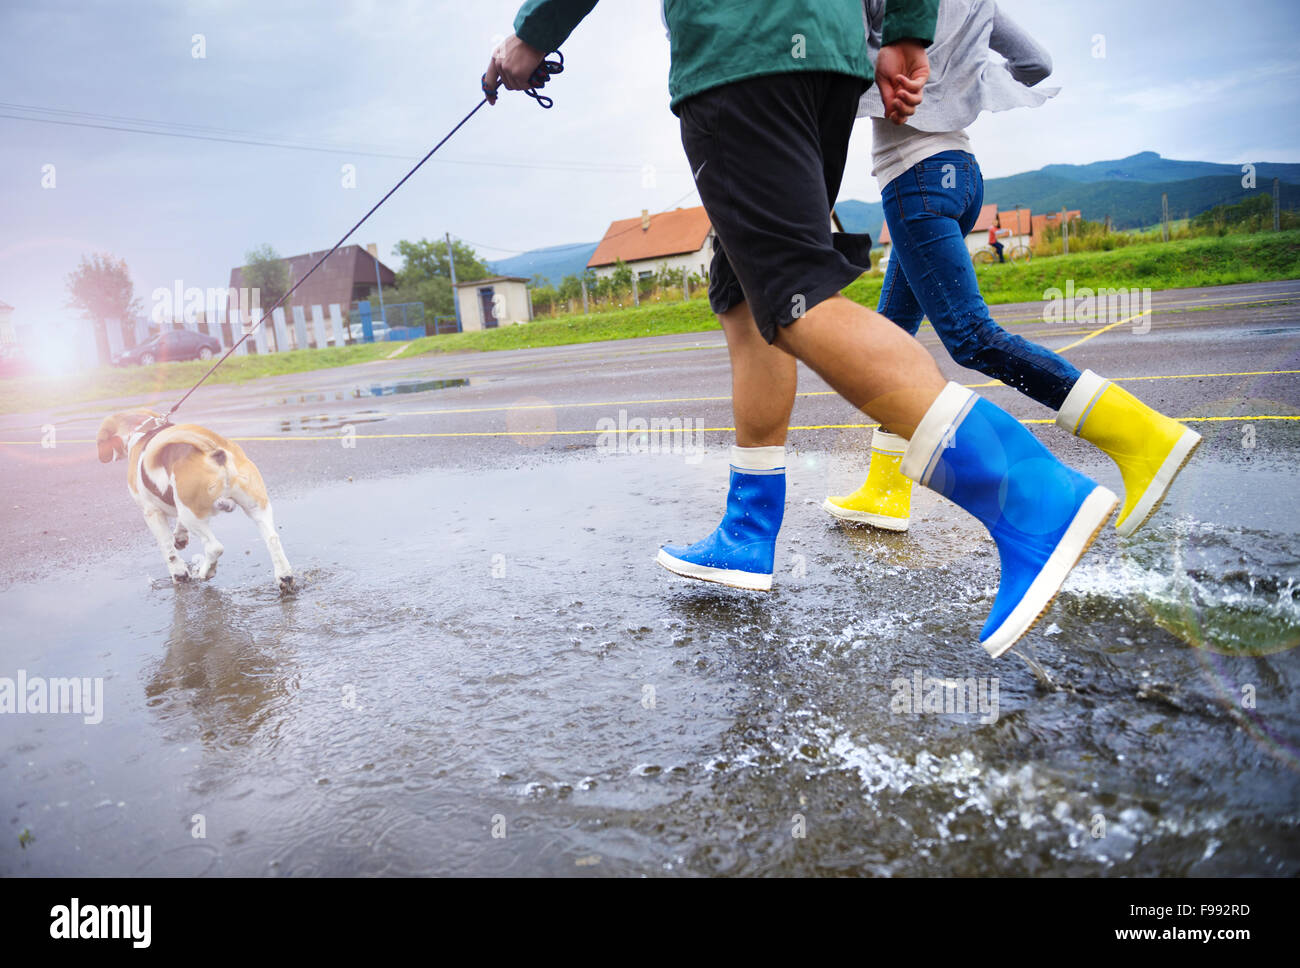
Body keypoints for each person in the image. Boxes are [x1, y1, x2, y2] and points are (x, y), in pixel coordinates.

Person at [486, 0, 1119, 657]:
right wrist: (904, 29)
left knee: (793, 295)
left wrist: (533, 35)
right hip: (826, 54)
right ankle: (748, 528)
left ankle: (1033, 497)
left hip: (742, 50)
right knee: (745, 294)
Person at [824, 0, 1200, 541]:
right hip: (962, 175)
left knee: (971, 338)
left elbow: (834, 68)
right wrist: (966, 86)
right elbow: (1037, 63)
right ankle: (885, 490)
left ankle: (1143, 436)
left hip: (914, 181)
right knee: (891, 338)